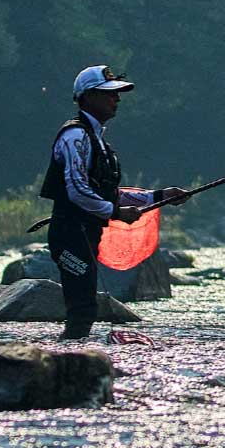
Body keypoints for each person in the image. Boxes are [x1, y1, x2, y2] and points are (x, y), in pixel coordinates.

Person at [39, 65, 188, 341]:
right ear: (87, 97)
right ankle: (67, 361)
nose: (116, 99)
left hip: (86, 233)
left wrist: (159, 197)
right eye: (109, 94)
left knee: (85, 304)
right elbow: (78, 191)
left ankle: (71, 352)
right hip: (69, 233)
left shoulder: (98, 141)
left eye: (117, 94)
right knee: (83, 306)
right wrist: (117, 214)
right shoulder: (75, 136)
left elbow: (111, 193)